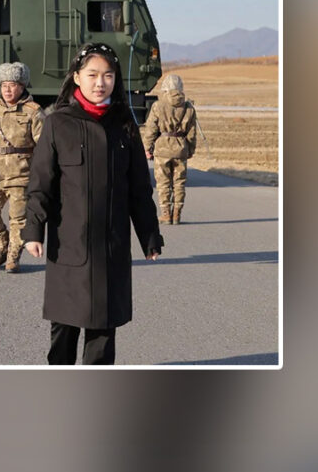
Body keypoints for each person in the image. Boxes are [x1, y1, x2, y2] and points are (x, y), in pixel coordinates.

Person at [22, 42, 163, 365]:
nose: (101, 83)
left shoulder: (124, 125)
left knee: (103, 326)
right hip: (69, 245)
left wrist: (149, 236)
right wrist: (33, 230)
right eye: (92, 75)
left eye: (108, 76)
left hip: (111, 245)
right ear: (77, 77)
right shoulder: (58, 123)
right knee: (65, 325)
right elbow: (41, 184)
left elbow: (139, 189)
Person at [0, 62, 45, 273]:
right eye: (4, 85)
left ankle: (13, 257)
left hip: (20, 174)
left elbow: (44, 147)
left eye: (12, 85)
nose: (7, 90)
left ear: (22, 86)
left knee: (18, 219)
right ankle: (4, 243)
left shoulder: (34, 112)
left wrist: (41, 174)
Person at [141, 74, 198, 224]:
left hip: (162, 149)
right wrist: (190, 149)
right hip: (181, 148)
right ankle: (177, 214)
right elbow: (192, 133)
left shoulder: (158, 106)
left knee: (163, 183)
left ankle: (166, 213)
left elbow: (151, 129)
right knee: (179, 182)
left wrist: (147, 148)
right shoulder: (189, 108)